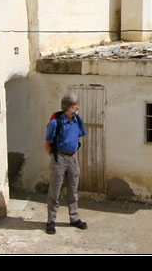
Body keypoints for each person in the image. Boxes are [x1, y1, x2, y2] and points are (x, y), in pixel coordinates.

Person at [44, 93, 88, 235]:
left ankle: (74, 218)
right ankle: (51, 221)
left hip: (73, 157)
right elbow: (47, 144)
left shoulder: (77, 120)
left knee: (73, 190)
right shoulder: (55, 123)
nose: (77, 107)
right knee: (55, 191)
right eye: (75, 105)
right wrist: (55, 157)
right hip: (59, 158)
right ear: (68, 107)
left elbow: (78, 136)